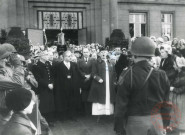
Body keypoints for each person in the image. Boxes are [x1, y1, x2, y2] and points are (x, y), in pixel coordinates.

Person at [114, 37, 170, 135]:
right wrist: (165, 124)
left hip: (136, 122)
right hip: (157, 121)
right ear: (151, 55)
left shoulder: (127, 74)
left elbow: (121, 105)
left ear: (134, 54)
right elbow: (166, 102)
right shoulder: (162, 74)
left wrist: (119, 128)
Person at [53, 51, 84, 120]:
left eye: (70, 56)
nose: (70, 57)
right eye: (68, 56)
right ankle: (64, 116)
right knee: (64, 101)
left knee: (72, 101)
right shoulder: (59, 66)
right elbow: (56, 77)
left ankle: (72, 116)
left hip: (72, 87)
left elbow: (79, 73)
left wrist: (85, 77)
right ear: (64, 57)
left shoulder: (74, 64)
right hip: (63, 87)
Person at [88, 50, 116, 121]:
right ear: (99, 54)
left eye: (105, 53)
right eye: (102, 53)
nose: (104, 54)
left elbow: (114, 73)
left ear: (107, 54)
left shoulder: (110, 62)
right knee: (100, 99)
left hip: (109, 85)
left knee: (109, 98)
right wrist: (98, 79)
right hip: (100, 84)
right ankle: (99, 115)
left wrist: (114, 81)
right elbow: (93, 73)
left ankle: (108, 113)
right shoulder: (96, 62)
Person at [32, 51, 55, 124]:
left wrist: (51, 83)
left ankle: (50, 120)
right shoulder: (36, 65)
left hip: (50, 86)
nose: (48, 56)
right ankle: (44, 121)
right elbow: (38, 78)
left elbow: (51, 75)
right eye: (46, 55)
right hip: (42, 88)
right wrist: (47, 84)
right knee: (44, 105)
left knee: (50, 103)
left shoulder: (47, 63)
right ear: (41, 56)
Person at [169, 56, 185, 135]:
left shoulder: (183, 75)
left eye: (174, 64)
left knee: (180, 112)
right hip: (176, 97)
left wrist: (174, 89)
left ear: (178, 65)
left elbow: (183, 88)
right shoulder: (177, 73)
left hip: (181, 98)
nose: (173, 66)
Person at [77, 48, 94, 115]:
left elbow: (94, 69)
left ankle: (91, 110)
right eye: (84, 52)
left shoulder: (93, 60)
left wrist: (90, 75)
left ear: (89, 52)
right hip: (83, 80)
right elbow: (78, 70)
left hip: (91, 80)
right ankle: (85, 111)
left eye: (87, 52)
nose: (85, 53)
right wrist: (84, 75)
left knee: (91, 94)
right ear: (82, 53)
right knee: (84, 96)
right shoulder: (79, 61)